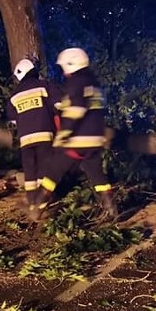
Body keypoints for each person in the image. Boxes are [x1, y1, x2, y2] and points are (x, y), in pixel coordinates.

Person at [28, 48, 117, 223]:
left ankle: (36, 207)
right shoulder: (94, 83)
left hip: (78, 139)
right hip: (96, 139)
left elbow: (75, 111)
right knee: (96, 173)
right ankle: (111, 209)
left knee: (53, 169)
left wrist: (63, 135)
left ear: (71, 65)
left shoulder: (76, 83)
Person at [6, 58, 61, 206]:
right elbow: (59, 106)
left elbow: (13, 121)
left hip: (25, 139)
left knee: (30, 169)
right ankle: (43, 202)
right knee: (45, 166)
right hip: (44, 135)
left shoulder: (14, 96)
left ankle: (31, 200)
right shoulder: (45, 86)